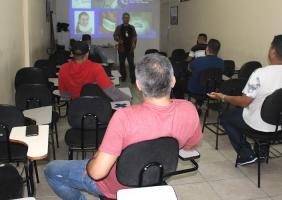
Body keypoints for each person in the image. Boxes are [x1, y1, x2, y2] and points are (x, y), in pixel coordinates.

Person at [44, 54, 203, 199]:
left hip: (117, 187)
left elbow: (97, 173)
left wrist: (91, 163)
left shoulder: (124, 117)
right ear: (173, 80)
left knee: (51, 170)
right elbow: (190, 145)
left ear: (139, 85)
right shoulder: (189, 109)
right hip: (155, 176)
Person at [207, 35, 282, 166]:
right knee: (265, 112)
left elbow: (244, 102)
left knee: (226, 118)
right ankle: (262, 151)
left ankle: (246, 154)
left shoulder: (260, 74)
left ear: (273, 51)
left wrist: (223, 97)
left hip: (260, 124)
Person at [59, 40, 124, 101]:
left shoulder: (63, 68)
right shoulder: (96, 68)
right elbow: (111, 91)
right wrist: (128, 98)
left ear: (72, 53)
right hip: (96, 106)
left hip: (76, 107)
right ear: (87, 54)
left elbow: (64, 94)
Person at [113, 12, 137, 83]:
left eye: (127, 18)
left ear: (129, 19)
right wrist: (118, 40)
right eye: (125, 18)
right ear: (122, 19)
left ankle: (133, 79)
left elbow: (135, 36)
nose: (126, 19)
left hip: (130, 49)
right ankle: (123, 77)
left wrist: (134, 43)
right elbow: (114, 36)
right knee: (122, 64)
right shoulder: (119, 27)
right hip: (122, 49)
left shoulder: (132, 27)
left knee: (131, 64)